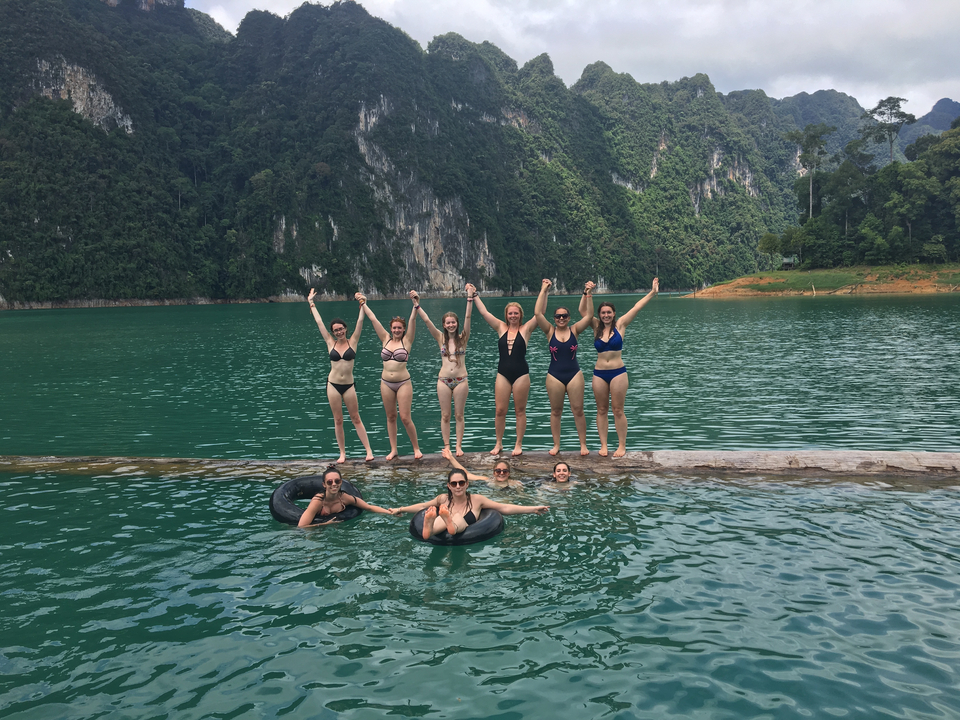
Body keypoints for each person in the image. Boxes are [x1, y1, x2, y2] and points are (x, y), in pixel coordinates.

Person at [580, 277, 659, 457]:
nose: (606, 315)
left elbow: (636, 307)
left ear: (614, 313)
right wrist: (587, 293)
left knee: (618, 410)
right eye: (603, 313)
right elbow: (583, 311)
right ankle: (604, 445)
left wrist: (652, 292)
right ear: (599, 315)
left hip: (618, 373)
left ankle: (622, 445)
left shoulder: (620, 324)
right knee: (601, 410)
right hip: (599, 373)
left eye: (609, 312)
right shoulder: (595, 326)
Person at [307, 289, 375, 463]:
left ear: (345, 329)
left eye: (341, 329)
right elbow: (319, 322)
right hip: (333, 385)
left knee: (356, 418)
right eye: (335, 330)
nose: (339, 332)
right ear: (333, 332)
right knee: (338, 420)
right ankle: (342, 453)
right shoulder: (330, 343)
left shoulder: (353, 341)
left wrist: (363, 304)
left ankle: (368, 451)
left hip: (349, 385)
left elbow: (360, 321)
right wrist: (311, 303)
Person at [389, 468, 549, 540]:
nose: (458, 486)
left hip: (461, 524)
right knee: (441, 520)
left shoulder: (477, 500)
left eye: (461, 483)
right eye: (454, 483)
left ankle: (447, 523)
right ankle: (429, 528)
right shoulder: (443, 499)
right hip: (445, 522)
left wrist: (532, 509)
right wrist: (400, 509)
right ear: (449, 486)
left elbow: (503, 507)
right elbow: (421, 506)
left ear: (467, 484)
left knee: (457, 519)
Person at [472, 290, 539, 456]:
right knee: (500, 411)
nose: (513, 316)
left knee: (519, 411)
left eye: (516, 313)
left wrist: (544, 291)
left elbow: (540, 313)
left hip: (521, 374)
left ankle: (518, 444)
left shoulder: (526, 329)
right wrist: (474, 295)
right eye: (510, 313)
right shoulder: (501, 327)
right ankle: (499, 443)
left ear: (520, 315)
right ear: (506, 315)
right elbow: (484, 312)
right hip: (502, 373)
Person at [357, 291, 423, 460]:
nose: (396, 330)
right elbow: (373, 319)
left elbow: (413, 320)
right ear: (391, 329)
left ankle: (416, 448)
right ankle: (393, 449)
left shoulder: (407, 341)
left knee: (405, 417)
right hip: (386, 382)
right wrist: (363, 304)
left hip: (403, 382)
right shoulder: (385, 338)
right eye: (394, 328)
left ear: (403, 329)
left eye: (399, 328)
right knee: (391, 416)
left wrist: (415, 305)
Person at [534, 279, 594, 456]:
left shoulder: (574, 330)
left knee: (578, 410)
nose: (561, 318)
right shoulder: (549, 331)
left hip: (574, 374)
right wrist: (543, 290)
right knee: (556, 411)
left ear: (569, 318)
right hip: (554, 376)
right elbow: (537, 313)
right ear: (554, 319)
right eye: (558, 316)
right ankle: (556, 445)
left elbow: (589, 316)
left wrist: (588, 293)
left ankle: (583, 444)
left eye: (564, 316)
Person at [415, 285, 474, 456]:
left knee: (459, 415)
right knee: (445, 415)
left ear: (457, 323)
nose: (451, 325)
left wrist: (469, 297)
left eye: (453, 322)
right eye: (448, 323)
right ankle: (447, 445)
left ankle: (458, 446)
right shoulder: (440, 338)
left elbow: (468, 316)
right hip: (443, 381)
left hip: (461, 380)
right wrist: (417, 305)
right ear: (444, 325)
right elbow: (427, 321)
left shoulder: (463, 338)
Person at [297, 467, 392, 527]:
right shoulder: (318, 501)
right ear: (324, 485)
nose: (334, 484)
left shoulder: (344, 498)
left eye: (337, 481)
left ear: (341, 482)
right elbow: (301, 526)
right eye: (329, 482)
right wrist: (325, 524)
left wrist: (390, 512)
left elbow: (369, 507)